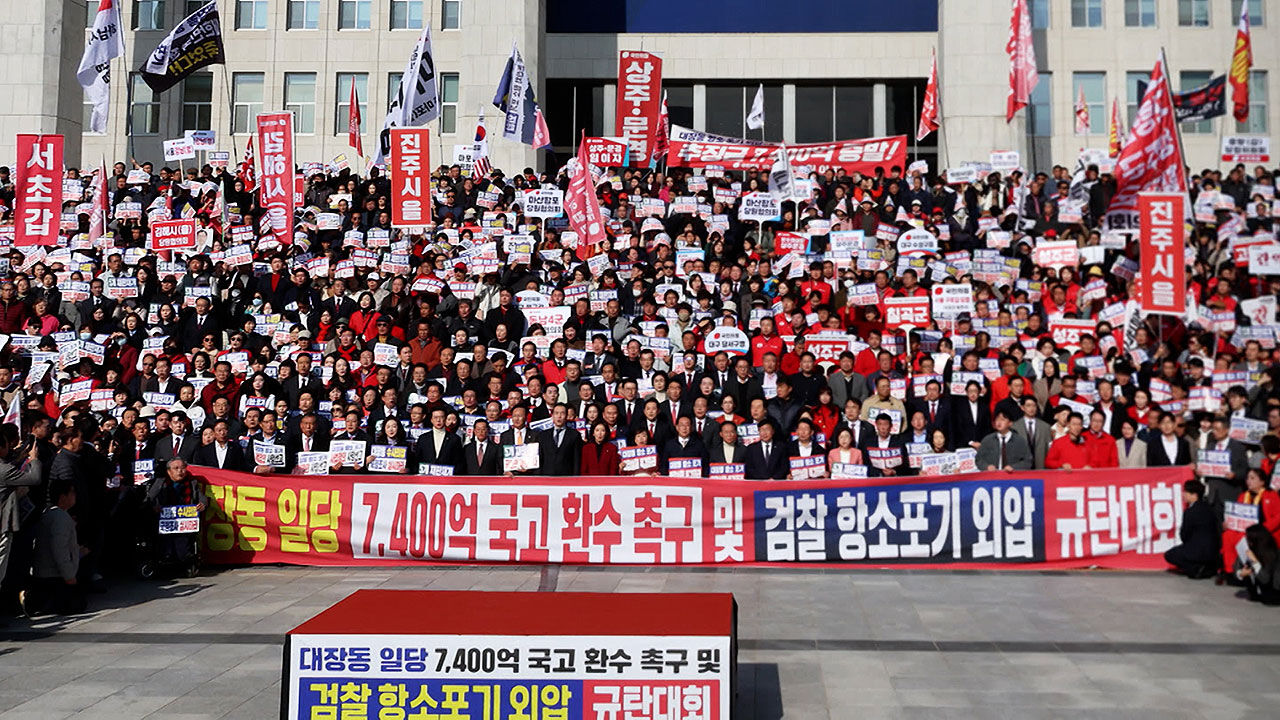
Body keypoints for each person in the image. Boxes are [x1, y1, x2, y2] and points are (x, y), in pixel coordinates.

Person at [22, 478, 85, 616]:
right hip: (54, 575)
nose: (74, 495)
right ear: (63, 497)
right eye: (72, 492)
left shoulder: (49, 513)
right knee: (76, 604)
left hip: (44, 573)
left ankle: (37, 599)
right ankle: (33, 599)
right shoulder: (60, 518)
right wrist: (69, 576)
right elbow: (59, 549)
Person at [1221, 468, 1280, 574]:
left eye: (1252, 478)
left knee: (1242, 538)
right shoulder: (1243, 495)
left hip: (1263, 531)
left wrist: (1263, 528)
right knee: (1228, 535)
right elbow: (1236, 516)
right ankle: (1231, 570)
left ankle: (1248, 569)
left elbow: (1278, 517)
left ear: (1262, 482)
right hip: (1245, 529)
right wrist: (1228, 523)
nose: (1248, 481)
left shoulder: (1271, 495)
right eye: (1247, 478)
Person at [1164, 480, 1219, 579]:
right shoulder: (1209, 508)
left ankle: (1196, 569)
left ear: (1194, 495)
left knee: (1170, 555)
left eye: (1186, 492)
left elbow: (1184, 535)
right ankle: (1205, 567)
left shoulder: (1190, 511)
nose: (1183, 494)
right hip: (1212, 550)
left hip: (1197, 550)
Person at [1236, 524, 1280, 605]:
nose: (1246, 541)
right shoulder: (1249, 550)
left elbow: (1265, 578)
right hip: (1256, 594)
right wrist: (1241, 573)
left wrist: (1255, 561)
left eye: (1248, 539)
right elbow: (1236, 567)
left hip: (1274, 595)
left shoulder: (1272, 554)